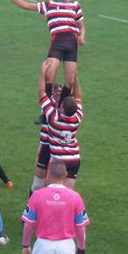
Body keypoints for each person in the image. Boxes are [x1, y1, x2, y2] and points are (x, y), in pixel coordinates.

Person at [0, 0, 84, 108]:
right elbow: (27, 5)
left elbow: (81, 26)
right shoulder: (49, 5)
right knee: (49, 74)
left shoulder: (75, 5)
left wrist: (82, 36)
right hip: (58, 41)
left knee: (70, 80)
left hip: (72, 43)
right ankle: (47, 108)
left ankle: (60, 107)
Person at [22, 160, 90, 254]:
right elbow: (81, 227)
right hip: (66, 246)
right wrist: (81, 249)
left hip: (43, 245)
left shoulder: (37, 195)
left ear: (47, 174)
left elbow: (28, 224)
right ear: (65, 175)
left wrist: (26, 245)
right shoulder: (75, 197)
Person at [37, 61, 83, 189]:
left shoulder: (54, 118)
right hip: (74, 159)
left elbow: (42, 93)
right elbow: (78, 97)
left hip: (59, 161)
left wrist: (42, 73)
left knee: (50, 191)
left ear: (61, 108)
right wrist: (76, 79)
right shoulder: (77, 117)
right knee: (68, 193)